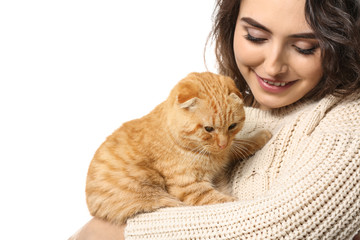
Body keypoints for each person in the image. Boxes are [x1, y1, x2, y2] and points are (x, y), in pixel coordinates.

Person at [70, 0, 360, 239]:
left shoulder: (349, 124)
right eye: (255, 37)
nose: (272, 67)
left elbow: (283, 228)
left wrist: (108, 232)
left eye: (304, 48)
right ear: (230, 27)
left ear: (344, 44)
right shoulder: (228, 105)